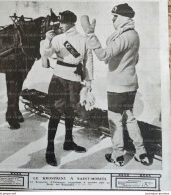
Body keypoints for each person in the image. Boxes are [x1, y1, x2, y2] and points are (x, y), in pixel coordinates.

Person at [81, 3, 149, 166]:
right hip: (131, 85)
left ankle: (117, 155)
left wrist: (90, 34)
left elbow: (103, 55)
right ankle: (141, 153)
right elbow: (135, 59)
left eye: (115, 16)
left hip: (117, 86)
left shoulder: (124, 36)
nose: (112, 19)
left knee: (115, 120)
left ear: (124, 17)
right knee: (129, 117)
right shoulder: (134, 34)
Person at [40, 10, 93, 166]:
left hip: (75, 79)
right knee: (55, 114)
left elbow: (88, 61)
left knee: (71, 111)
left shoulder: (83, 40)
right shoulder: (58, 39)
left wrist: (89, 81)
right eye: (60, 22)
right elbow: (46, 54)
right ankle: (50, 150)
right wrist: (47, 41)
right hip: (59, 78)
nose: (60, 25)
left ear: (71, 23)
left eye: (62, 22)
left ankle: (68, 142)